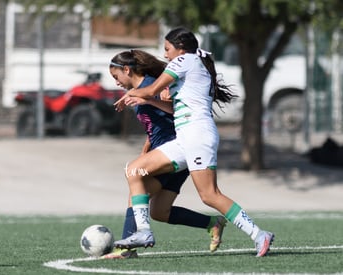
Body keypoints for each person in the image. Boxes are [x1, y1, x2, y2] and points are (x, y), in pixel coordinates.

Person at [113, 28, 274, 257]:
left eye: (168, 49)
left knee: (210, 195)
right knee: (134, 171)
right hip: (185, 138)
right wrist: (147, 95)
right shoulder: (191, 63)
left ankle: (260, 234)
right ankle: (144, 232)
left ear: (180, 48)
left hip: (198, 136)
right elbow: (167, 100)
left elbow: (151, 89)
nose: (166, 55)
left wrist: (137, 94)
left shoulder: (186, 60)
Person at [103, 49, 227, 259]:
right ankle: (212, 224)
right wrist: (146, 149)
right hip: (169, 153)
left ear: (127, 69)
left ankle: (126, 250)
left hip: (175, 152)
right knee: (159, 212)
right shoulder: (139, 91)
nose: (116, 82)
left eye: (116, 77)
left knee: (136, 191)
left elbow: (175, 109)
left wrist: (148, 98)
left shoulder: (153, 85)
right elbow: (156, 127)